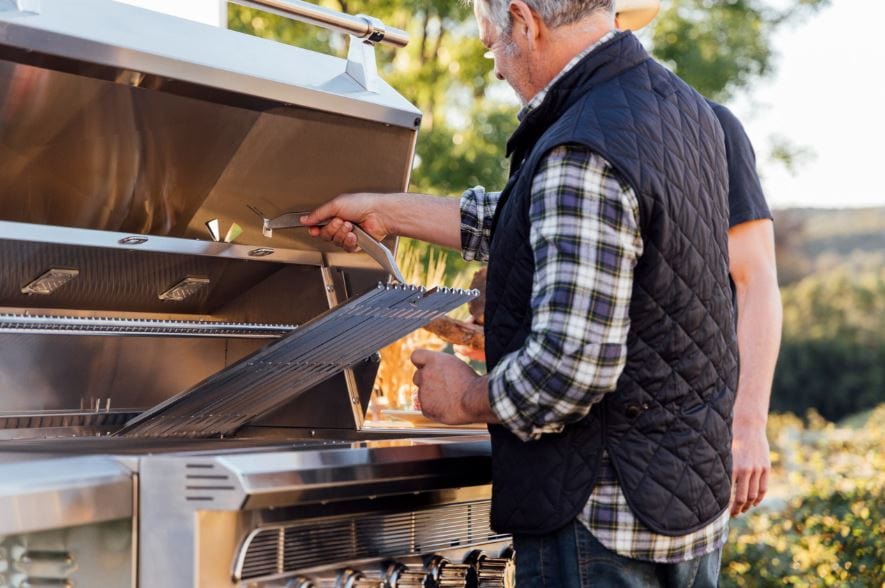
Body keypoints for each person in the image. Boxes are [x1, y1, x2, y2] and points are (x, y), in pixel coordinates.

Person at [302, 0, 737, 584]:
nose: (496, 67)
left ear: (524, 19)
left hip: (599, 523)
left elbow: (567, 371)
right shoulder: (684, 111)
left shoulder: (581, 151)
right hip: (683, 505)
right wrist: (385, 210)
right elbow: (528, 221)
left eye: (491, 43)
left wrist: (464, 398)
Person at [613, 0, 783, 521]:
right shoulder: (561, 136)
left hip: (686, 461)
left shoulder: (712, 126)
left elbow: (757, 283)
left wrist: (749, 425)